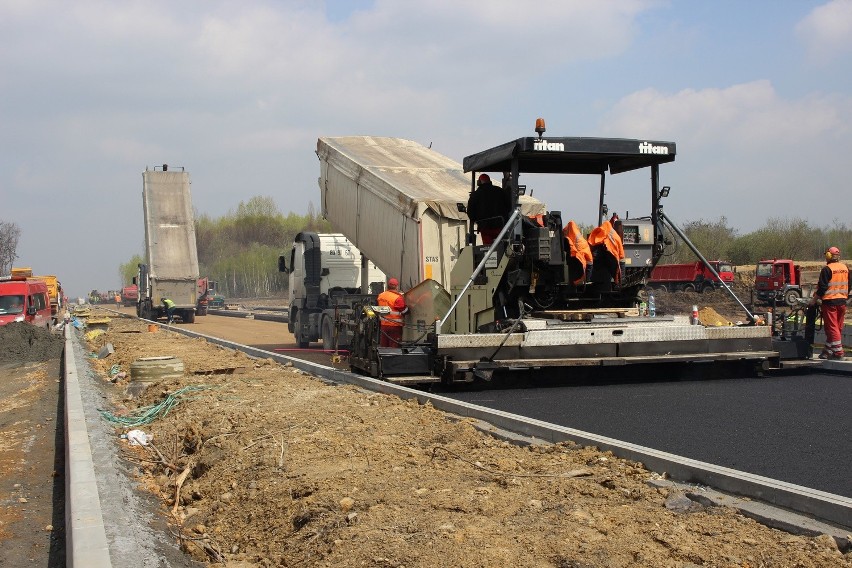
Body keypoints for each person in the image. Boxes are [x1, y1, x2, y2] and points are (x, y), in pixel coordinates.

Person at [809, 246, 850, 360]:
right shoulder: (845, 268)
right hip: (842, 302)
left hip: (830, 303)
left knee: (832, 328)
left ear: (828, 256)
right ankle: (827, 352)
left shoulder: (827, 269)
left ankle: (838, 353)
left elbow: (822, 288)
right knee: (837, 328)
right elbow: (849, 285)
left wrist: (813, 300)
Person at [467, 173, 512, 245]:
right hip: (500, 225)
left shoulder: (475, 195)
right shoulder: (500, 191)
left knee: (488, 248)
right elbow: (509, 207)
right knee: (501, 247)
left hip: (485, 227)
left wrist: (478, 221)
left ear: (480, 182)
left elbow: (470, 212)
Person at [587, 219, 625, 291]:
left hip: (608, 261)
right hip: (610, 261)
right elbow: (622, 257)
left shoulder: (598, 234)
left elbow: (591, 245)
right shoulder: (615, 237)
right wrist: (621, 279)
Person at [376, 277, 408, 347]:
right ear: (397, 286)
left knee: (384, 345)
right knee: (394, 346)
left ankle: (384, 358)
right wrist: (408, 309)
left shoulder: (381, 296)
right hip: (395, 326)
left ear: (388, 286)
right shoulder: (397, 298)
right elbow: (403, 310)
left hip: (384, 325)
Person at [563, 220, 593, 285]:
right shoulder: (582, 239)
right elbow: (590, 260)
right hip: (580, 261)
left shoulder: (568, 238)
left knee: (573, 279)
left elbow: (565, 248)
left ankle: (573, 287)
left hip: (573, 261)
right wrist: (587, 277)